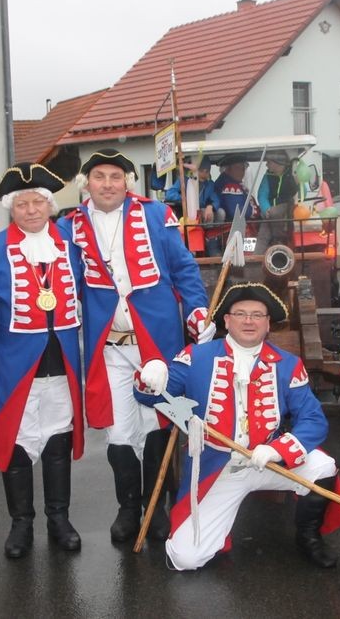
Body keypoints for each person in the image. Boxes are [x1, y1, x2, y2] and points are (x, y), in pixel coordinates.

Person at [135, 282, 340, 570]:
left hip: (269, 462)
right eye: (241, 313)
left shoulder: (287, 363)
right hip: (219, 466)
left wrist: (277, 450)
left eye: (258, 315)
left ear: (268, 323)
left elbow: (313, 419)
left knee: (323, 466)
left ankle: (308, 536)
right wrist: (151, 375)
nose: (249, 321)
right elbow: (152, 397)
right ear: (226, 320)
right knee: (186, 559)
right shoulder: (196, 357)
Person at [65, 148, 214, 544]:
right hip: (110, 347)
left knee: (159, 421)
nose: (108, 184)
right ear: (87, 183)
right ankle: (128, 508)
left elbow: (183, 267)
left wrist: (196, 311)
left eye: (116, 176)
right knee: (118, 431)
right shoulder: (71, 225)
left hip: (157, 342)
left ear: (127, 182)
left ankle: (156, 506)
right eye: (100, 177)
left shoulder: (155, 214)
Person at [0, 163, 84, 555]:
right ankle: (21, 524)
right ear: (12, 208)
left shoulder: (70, 247)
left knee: (58, 442)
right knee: (17, 445)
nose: (31, 210)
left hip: (60, 363)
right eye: (22, 204)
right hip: (14, 365)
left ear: (49, 205)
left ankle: (59, 519)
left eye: (38, 202)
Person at [254, 149, 298, 251]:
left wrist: (297, 182)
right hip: (272, 214)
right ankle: (254, 263)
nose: (266, 165)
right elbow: (262, 195)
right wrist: (266, 209)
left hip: (287, 209)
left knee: (274, 212)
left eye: (268, 162)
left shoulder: (292, 174)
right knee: (262, 236)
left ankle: (279, 239)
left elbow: (299, 192)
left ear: (277, 163)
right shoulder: (268, 176)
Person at [214, 153, 254, 220]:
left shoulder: (235, 182)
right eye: (239, 167)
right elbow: (238, 212)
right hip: (235, 228)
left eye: (244, 167)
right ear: (227, 169)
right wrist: (255, 211)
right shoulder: (229, 187)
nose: (243, 171)